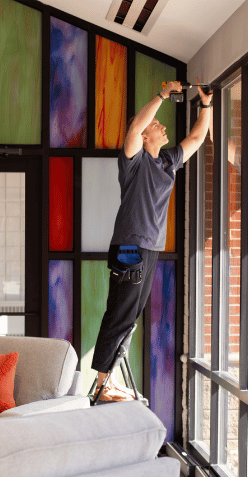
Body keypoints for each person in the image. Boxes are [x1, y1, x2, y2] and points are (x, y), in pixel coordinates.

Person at [92, 78, 213, 401]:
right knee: (120, 313)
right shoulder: (134, 161)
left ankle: (110, 378)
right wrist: (161, 94)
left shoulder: (167, 162)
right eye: (154, 125)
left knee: (130, 316)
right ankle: (104, 383)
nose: (160, 126)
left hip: (148, 248)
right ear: (144, 136)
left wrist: (206, 105)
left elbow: (198, 137)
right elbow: (134, 129)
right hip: (130, 246)